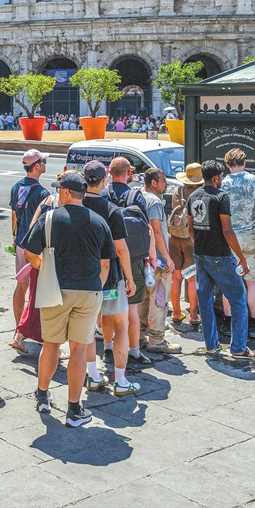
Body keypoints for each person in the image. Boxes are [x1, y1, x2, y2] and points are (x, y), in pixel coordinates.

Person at [22, 171, 113, 428]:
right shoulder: (99, 222)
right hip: (88, 291)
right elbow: (104, 265)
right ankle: (74, 409)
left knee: (50, 345)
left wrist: (46, 267)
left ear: (64, 192)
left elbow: (29, 253)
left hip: (56, 290)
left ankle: (42, 395)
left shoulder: (50, 219)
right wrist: (96, 288)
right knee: (79, 349)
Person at [186, 160, 255, 358]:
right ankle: (238, 348)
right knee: (238, 299)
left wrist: (201, 244)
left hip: (201, 254)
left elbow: (191, 229)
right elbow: (227, 230)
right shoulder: (221, 197)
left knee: (206, 301)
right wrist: (241, 257)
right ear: (217, 177)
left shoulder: (193, 196)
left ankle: (211, 344)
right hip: (220, 255)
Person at [80, 161, 139, 396]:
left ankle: (93, 375)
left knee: (87, 329)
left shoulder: (76, 205)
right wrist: (130, 278)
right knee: (121, 325)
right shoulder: (112, 211)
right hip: (111, 279)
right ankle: (121, 380)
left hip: (84, 278)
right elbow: (122, 250)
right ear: (104, 180)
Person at [103, 157, 153, 369]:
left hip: (108, 258)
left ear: (109, 172)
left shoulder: (102, 195)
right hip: (132, 258)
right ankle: (133, 350)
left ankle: (107, 346)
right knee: (132, 306)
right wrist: (150, 256)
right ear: (128, 173)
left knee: (108, 303)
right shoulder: (136, 196)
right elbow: (147, 228)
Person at [222, 149, 255, 340]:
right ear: (245, 162)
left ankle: (228, 322)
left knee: (230, 282)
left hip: (230, 236)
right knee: (253, 282)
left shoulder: (224, 183)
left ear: (227, 164)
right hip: (251, 236)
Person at [9, 149, 50, 354]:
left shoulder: (16, 187)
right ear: (36, 166)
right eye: (42, 161)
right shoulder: (43, 193)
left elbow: (14, 215)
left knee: (21, 287)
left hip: (20, 244)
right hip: (35, 248)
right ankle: (30, 333)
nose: (44, 164)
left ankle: (19, 329)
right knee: (38, 292)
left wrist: (15, 238)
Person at [141, 167, 180, 353]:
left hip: (140, 259)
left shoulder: (136, 196)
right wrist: (167, 257)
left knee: (142, 299)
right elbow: (156, 232)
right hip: (157, 260)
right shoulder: (155, 202)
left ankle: (139, 336)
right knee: (159, 299)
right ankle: (156, 340)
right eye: (164, 181)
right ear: (154, 183)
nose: (167, 184)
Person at [170, 164, 202, 328]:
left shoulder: (178, 191)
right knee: (192, 278)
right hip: (191, 239)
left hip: (175, 238)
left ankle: (176, 313)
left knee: (176, 277)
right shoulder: (199, 193)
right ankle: (194, 315)